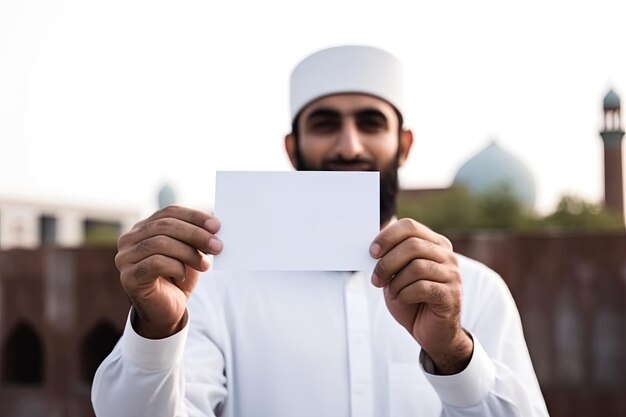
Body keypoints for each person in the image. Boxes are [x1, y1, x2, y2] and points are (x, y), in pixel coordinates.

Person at [91, 45, 549, 417]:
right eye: (325, 124)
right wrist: (157, 329)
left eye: (370, 123)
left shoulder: (475, 291)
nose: (349, 145)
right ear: (293, 148)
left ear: (403, 145)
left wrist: (451, 352)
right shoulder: (214, 288)